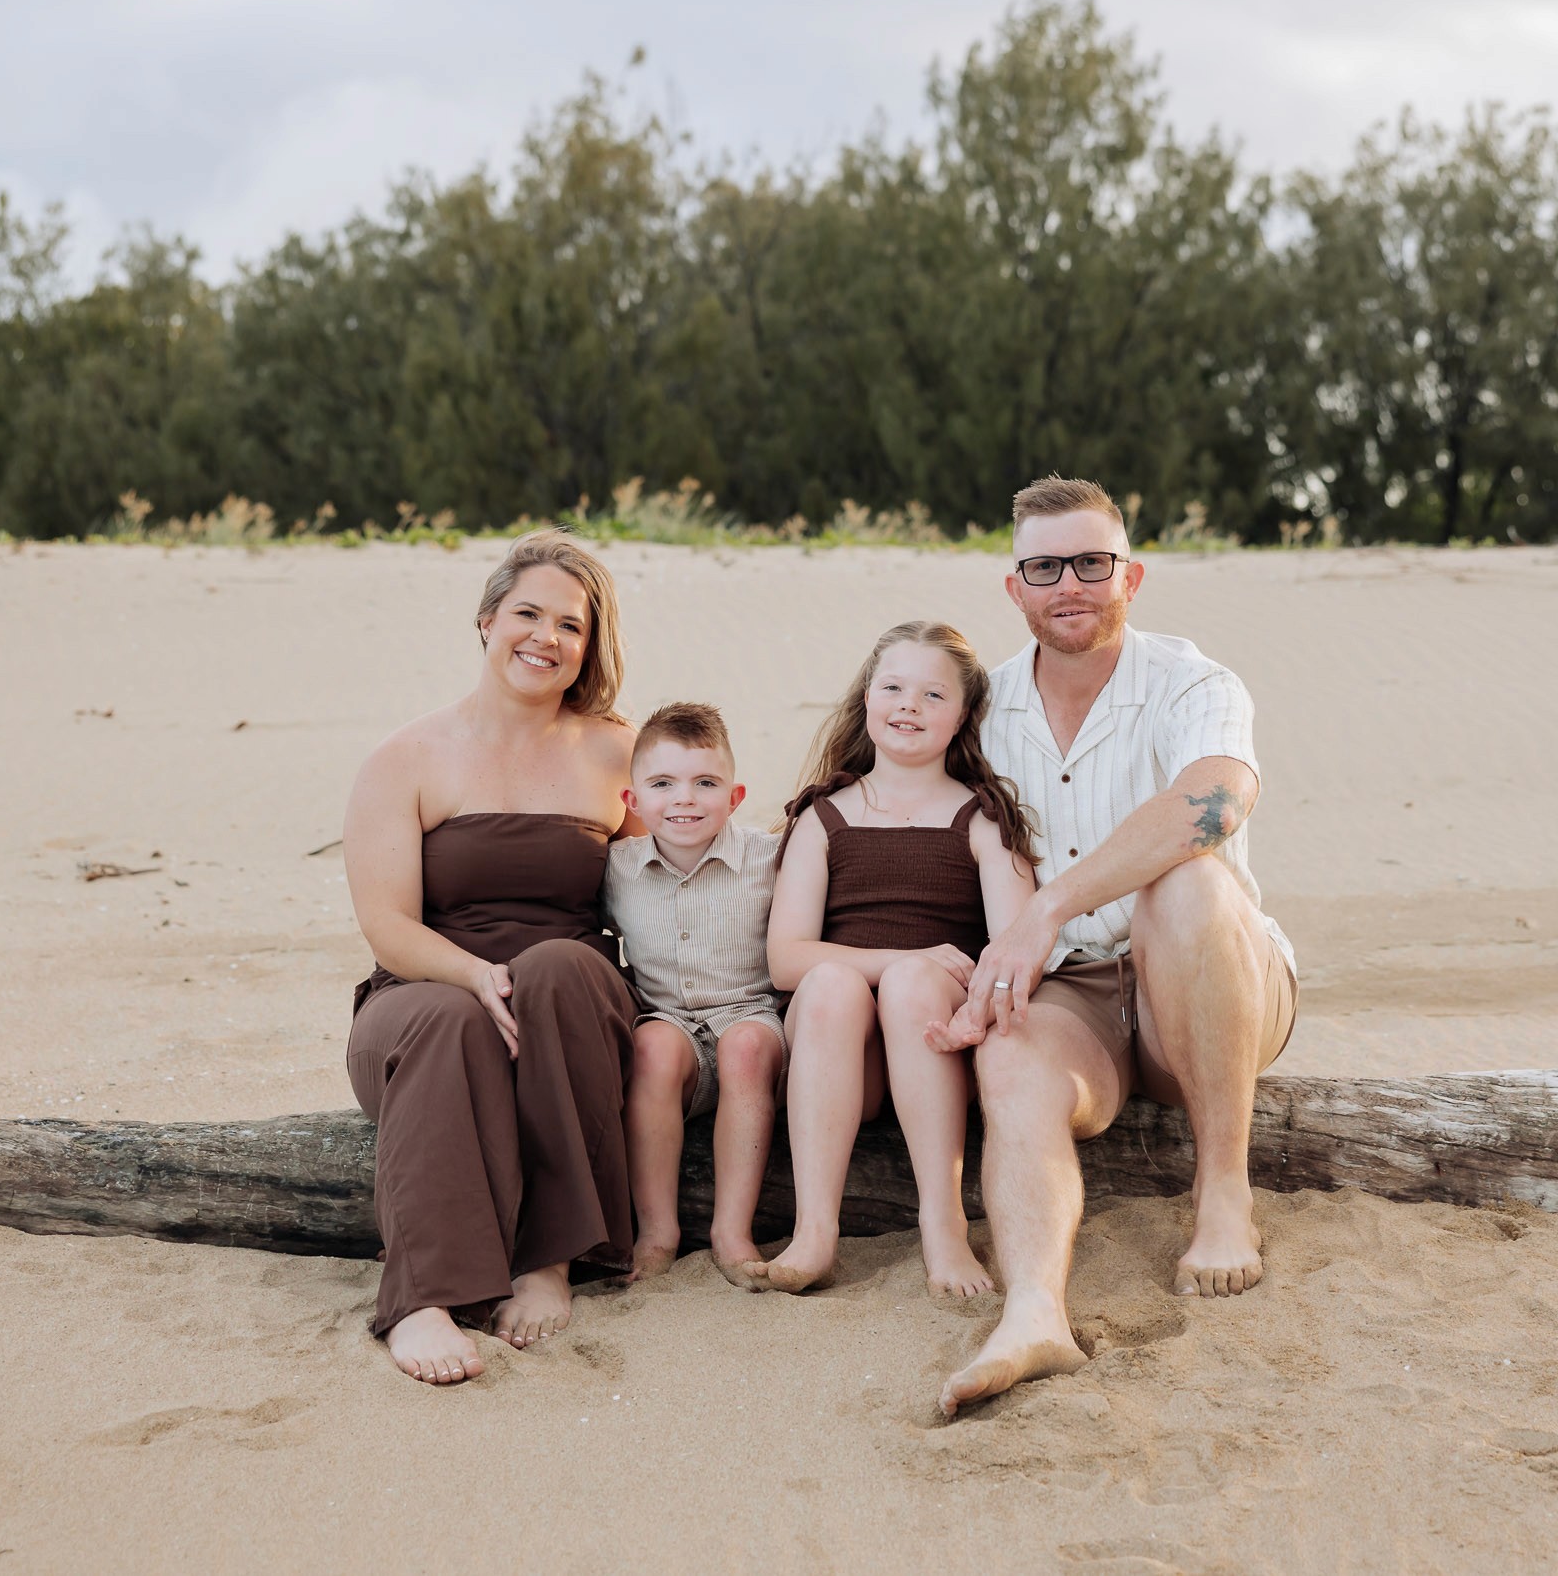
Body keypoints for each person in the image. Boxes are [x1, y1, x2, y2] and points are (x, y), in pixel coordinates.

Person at [938, 476, 1299, 1418]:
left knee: (1186, 879)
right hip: (1077, 999)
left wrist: (1050, 903)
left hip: (1211, 973)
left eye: (1092, 563)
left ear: (1130, 575)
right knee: (1008, 1055)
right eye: (1045, 566)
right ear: (1012, 588)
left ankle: (1223, 1191)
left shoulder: (1193, 682)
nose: (1071, 585)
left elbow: (1215, 800)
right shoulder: (978, 710)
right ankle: (1033, 1314)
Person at [340, 529, 641, 1387]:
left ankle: (550, 1259)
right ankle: (422, 1298)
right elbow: (386, 924)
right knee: (448, 1017)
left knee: (553, 967)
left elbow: (676, 890)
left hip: (570, 1003)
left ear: (589, 647)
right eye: (528, 614)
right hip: (425, 990)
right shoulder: (403, 758)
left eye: (571, 626)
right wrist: (475, 975)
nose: (546, 638)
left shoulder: (619, 751)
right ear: (486, 620)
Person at [742, 621, 1038, 1299]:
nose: (909, 704)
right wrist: (908, 954)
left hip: (939, 1043)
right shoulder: (823, 816)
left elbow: (1016, 944)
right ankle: (816, 1229)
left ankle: (943, 1221)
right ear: (866, 700)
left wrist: (937, 978)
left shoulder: (982, 816)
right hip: (841, 1054)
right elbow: (786, 959)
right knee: (828, 984)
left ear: (963, 716)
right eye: (893, 687)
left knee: (910, 984)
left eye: (934, 694)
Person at [605, 701, 789, 1285]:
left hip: (751, 1016)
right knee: (651, 1049)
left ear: (734, 798)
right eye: (662, 783)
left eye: (704, 783)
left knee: (747, 1049)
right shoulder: (616, 869)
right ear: (632, 802)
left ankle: (731, 1232)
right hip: (670, 1023)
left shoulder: (770, 859)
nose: (684, 799)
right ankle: (657, 1231)